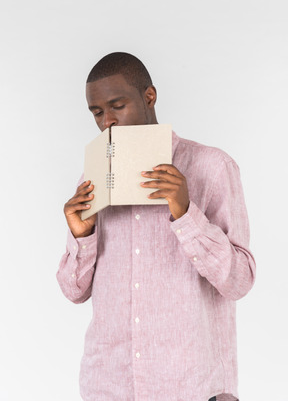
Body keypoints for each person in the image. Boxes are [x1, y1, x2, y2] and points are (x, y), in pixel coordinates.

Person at [56, 52, 256, 401]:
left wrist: (185, 213)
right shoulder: (94, 178)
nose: (108, 123)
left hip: (191, 388)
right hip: (109, 386)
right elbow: (74, 292)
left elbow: (239, 281)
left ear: (149, 97)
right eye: (98, 112)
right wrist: (81, 234)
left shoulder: (212, 166)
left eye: (117, 106)